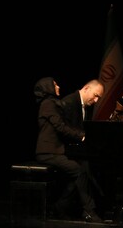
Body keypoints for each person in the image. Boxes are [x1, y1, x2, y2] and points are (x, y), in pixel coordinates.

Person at [33, 77, 103, 222]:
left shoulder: (53, 103)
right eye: (55, 85)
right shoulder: (48, 104)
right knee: (79, 171)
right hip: (48, 152)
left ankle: (62, 206)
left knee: (80, 171)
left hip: (55, 151)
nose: (58, 86)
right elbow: (60, 127)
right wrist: (82, 137)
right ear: (47, 88)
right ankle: (87, 210)